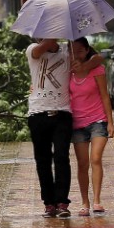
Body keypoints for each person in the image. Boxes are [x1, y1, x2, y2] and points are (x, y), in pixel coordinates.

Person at [26, 39, 75, 217]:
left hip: (62, 113)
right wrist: (54, 32)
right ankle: (49, 203)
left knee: (62, 156)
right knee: (43, 160)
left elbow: (94, 57)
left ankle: (62, 202)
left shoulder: (68, 50)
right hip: (37, 114)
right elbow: (42, 48)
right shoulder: (33, 50)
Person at [68, 37, 114, 216]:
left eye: (80, 50)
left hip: (98, 120)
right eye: (73, 50)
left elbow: (105, 96)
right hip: (78, 123)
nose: (76, 54)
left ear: (87, 50)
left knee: (95, 158)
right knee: (82, 163)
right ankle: (84, 203)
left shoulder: (97, 69)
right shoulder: (68, 72)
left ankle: (97, 200)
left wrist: (110, 123)